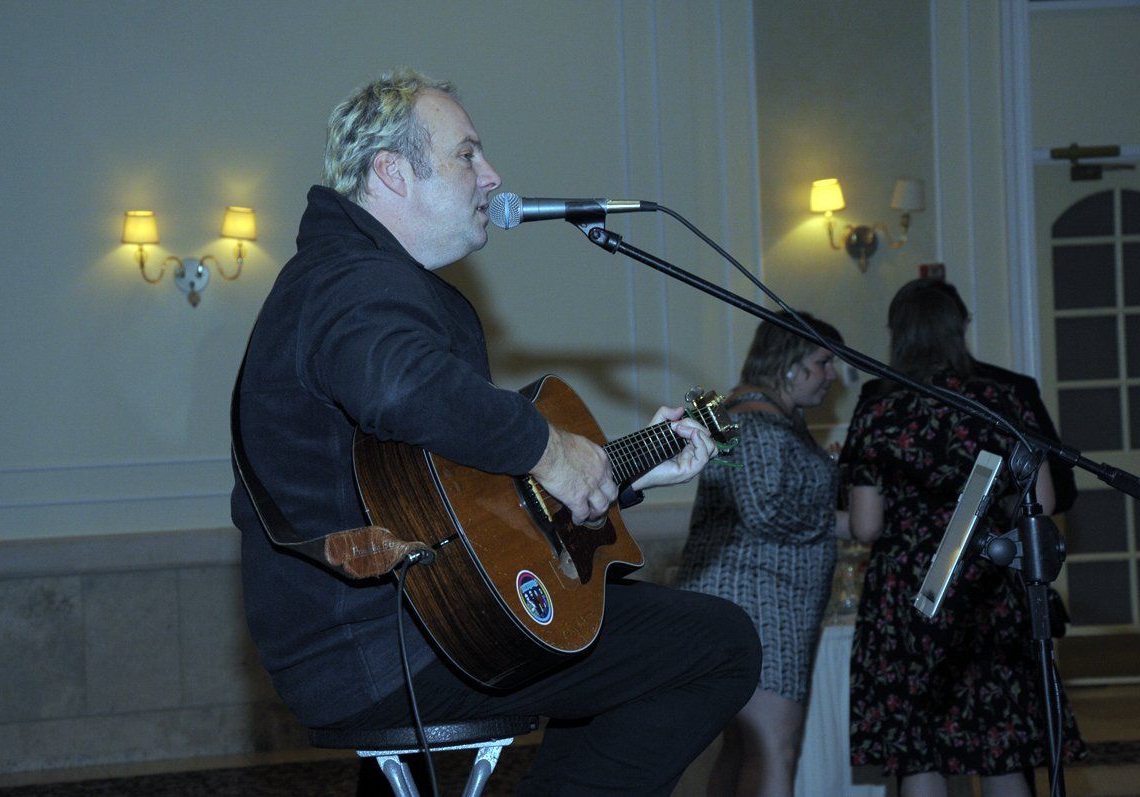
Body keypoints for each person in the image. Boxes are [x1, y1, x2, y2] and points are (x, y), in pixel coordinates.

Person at [230, 68, 762, 796]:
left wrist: (621, 470)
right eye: (466, 154)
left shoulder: (363, 283)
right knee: (721, 644)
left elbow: (466, 494)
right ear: (392, 172)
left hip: (403, 633)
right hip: (394, 647)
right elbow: (401, 386)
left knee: (603, 637)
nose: (493, 174)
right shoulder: (350, 282)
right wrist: (548, 446)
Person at [839, 280, 1086, 797]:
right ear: (960, 328)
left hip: (909, 596)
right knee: (997, 746)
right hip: (985, 584)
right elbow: (1042, 500)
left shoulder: (877, 408)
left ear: (896, 335)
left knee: (919, 753)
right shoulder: (999, 400)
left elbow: (865, 526)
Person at [677, 311, 851, 796]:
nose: (831, 375)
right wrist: (846, 523)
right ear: (789, 363)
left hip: (757, 601)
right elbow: (766, 510)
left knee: (743, 750)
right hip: (760, 604)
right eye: (822, 362)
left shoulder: (756, 418)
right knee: (776, 749)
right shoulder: (756, 425)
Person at [855, 277, 1077, 514]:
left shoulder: (878, 402)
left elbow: (1061, 487)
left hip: (904, 546)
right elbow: (1052, 495)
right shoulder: (1007, 391)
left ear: (896, 334)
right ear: (961, 326)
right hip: (990, 546)